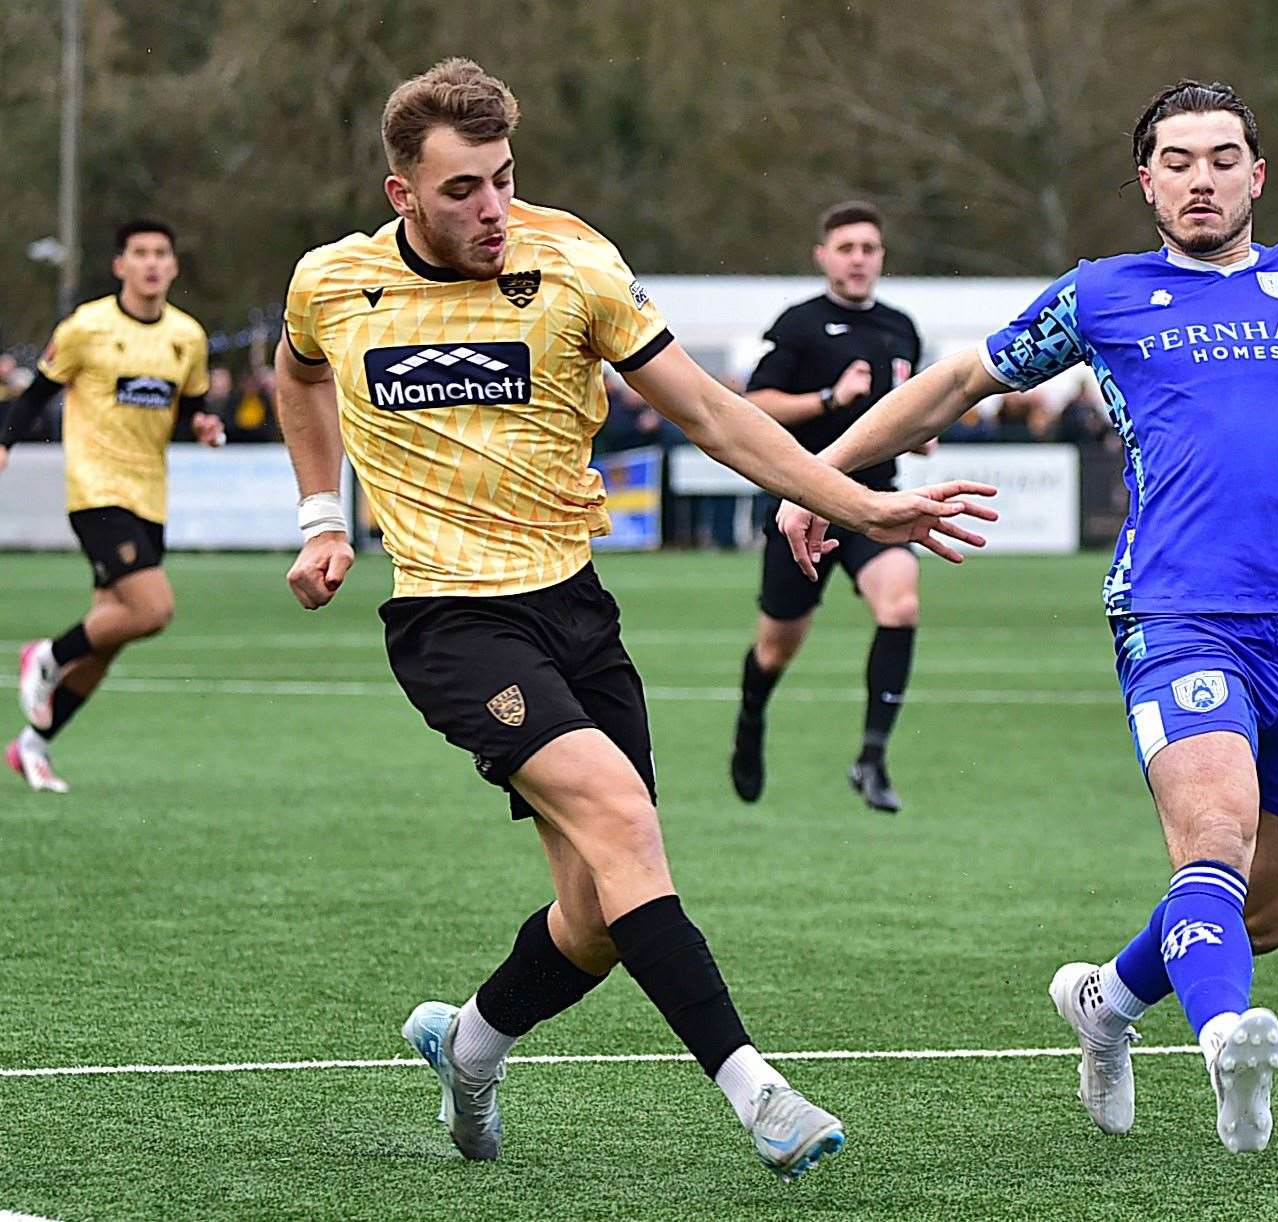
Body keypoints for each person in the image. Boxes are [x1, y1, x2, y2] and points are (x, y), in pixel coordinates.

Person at [777, 79, 1278, 1154]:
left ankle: (1105, 1003)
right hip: (1174, 611)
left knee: (1264, 916)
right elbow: (959, 379)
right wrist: (819, 475)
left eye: (1222, 157)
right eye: (1178, 160)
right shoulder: (1102, 294)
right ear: (1145, 180)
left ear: (1257, 174)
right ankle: (1226, 1046)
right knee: (1213, 838)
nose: (1201, 178)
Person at [273, 59, 994, 1179]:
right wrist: (325, 516)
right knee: (625, 820)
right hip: (451, 621)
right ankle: (757, 1092)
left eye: (503, 179)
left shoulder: (574, 262)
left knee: (598, 918)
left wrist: (857, 503)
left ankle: (468, 1045)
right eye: (461, 188)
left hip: (574, 607)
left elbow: (709, 413)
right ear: (399, 192)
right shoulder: (333, 283)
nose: (491, 208)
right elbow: (298, 371)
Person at [0, 218, 223, 793]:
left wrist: (204, 425)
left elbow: (194, 401)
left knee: (113, 633)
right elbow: (38, 393)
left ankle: (33, 746)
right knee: (153, 609)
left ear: (173, 266)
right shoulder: (87, 327)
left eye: (161, 254)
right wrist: (5, 442)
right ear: (120, 265)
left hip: (151, 495)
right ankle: (46, 655)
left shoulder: (187, 336)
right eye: (140, 253)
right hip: (96, 490)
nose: (151, 263)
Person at [729, 201, 927, 813]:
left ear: (881, 256)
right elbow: (755, 403)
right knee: (777, 647)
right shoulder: (800, 325)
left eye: (869, 248)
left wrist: (921, 430)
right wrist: (827, 397)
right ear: (824, 257)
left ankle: (871, 758)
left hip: (875, 500)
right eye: (846, 248)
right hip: (803, 500)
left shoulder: (901, 328)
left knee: (901, 602)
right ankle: (751, 718)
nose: (859, 259)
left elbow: (910, 414)